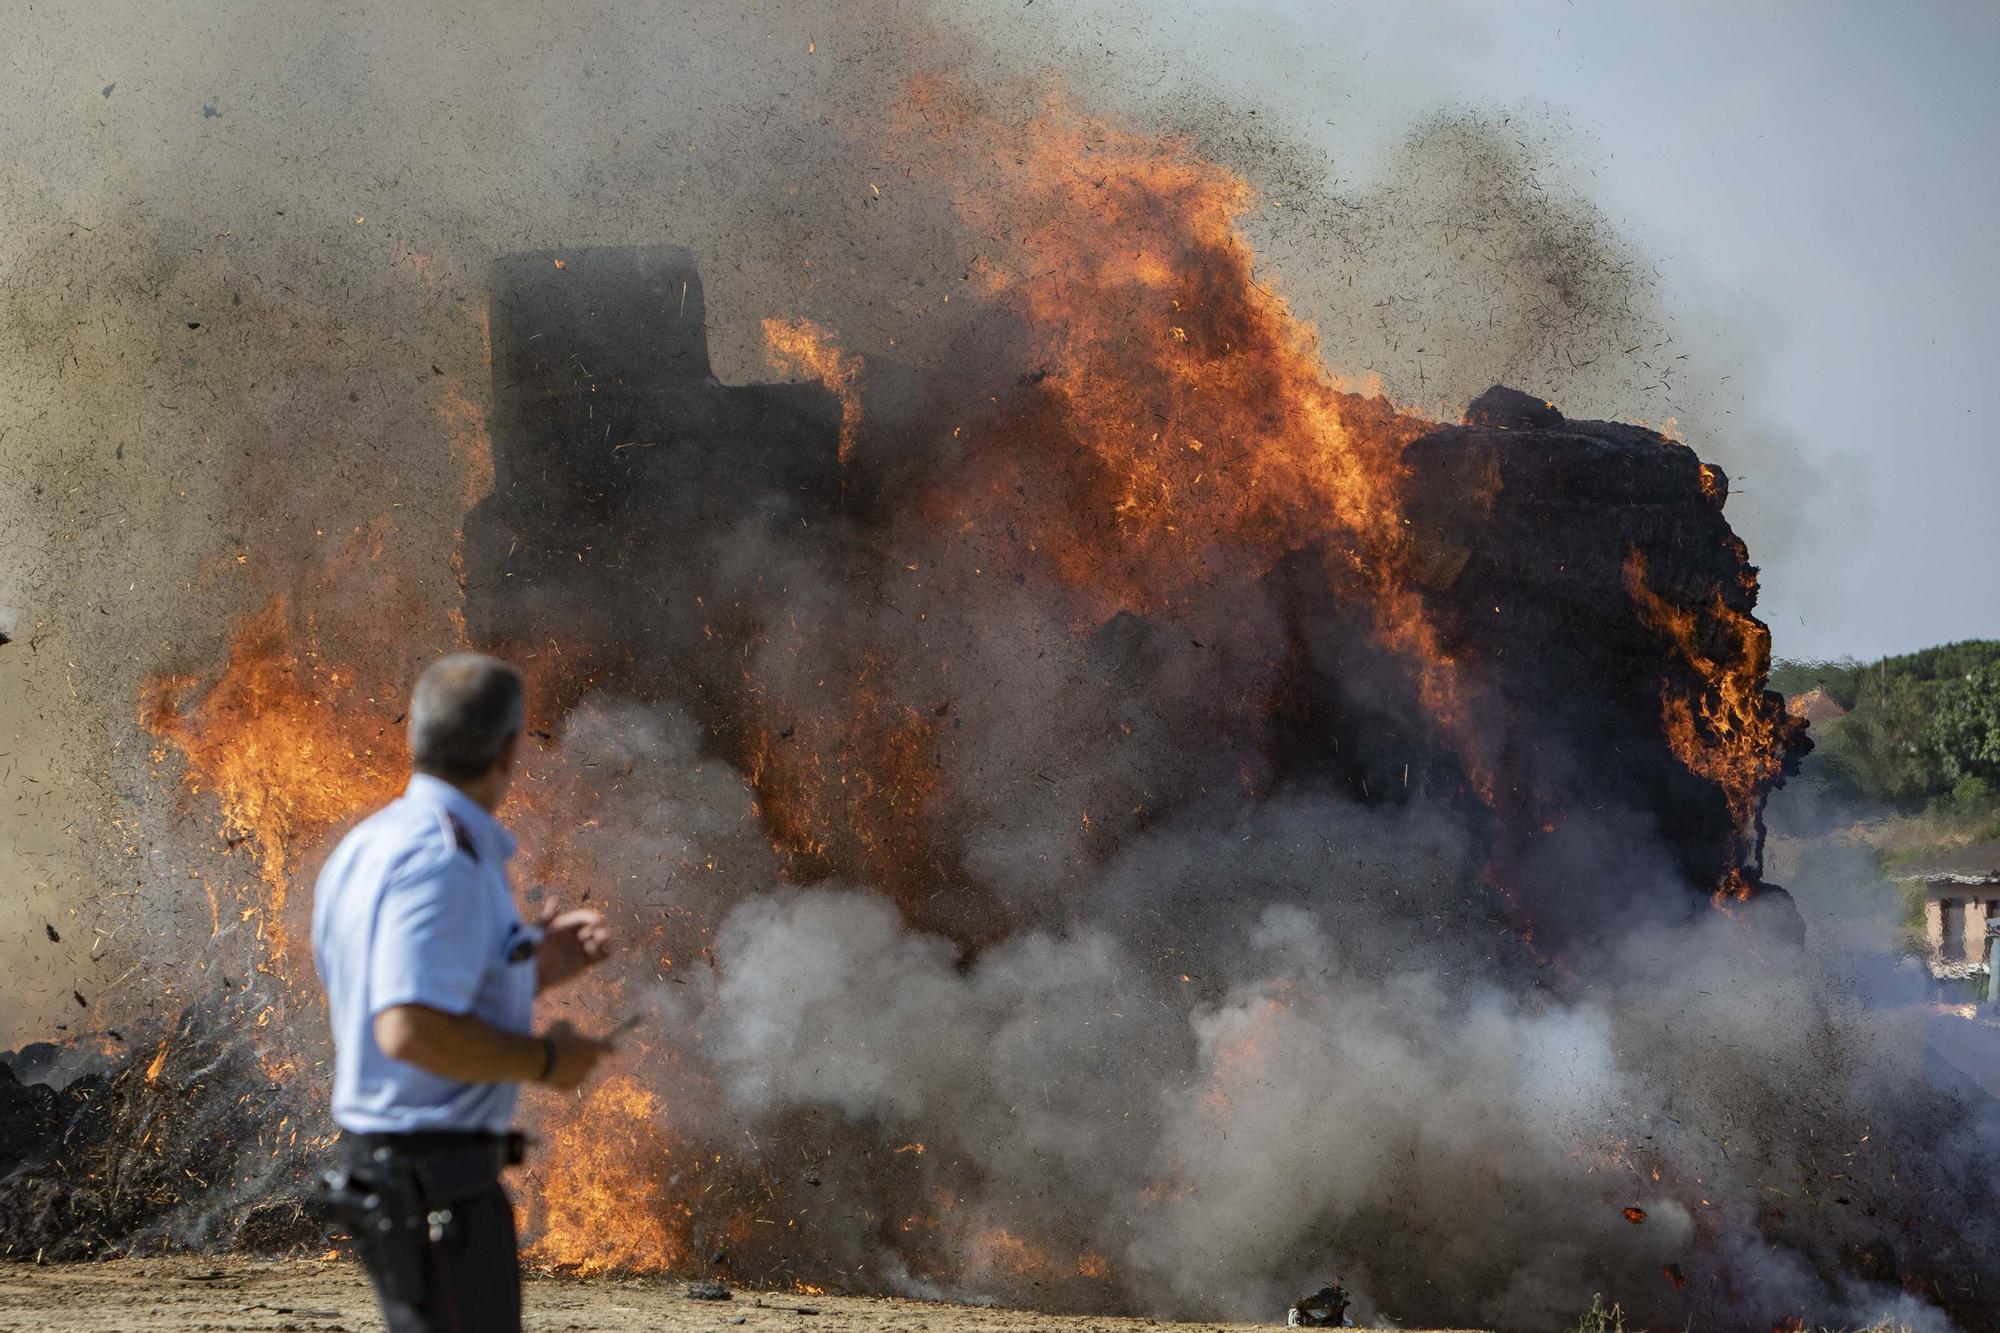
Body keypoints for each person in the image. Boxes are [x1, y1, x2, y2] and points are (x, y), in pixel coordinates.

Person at [311, 653, 619, 1332]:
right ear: (510, 748)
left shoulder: (372, 844)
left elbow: (408, 988)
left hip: (412, 1178)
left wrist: (533, 967)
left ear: (417, 733)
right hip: (434, 1185)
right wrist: (544, 1060)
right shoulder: (441, 859)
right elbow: (409, 1028)